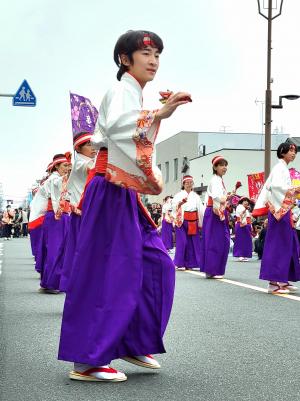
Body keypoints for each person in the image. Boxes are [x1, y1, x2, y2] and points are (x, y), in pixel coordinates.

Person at [58, 29, 191, 383]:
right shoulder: (121, 90)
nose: (153, 60)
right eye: (145, 53)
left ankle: (133, 339)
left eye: (158, 54)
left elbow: (133, 132)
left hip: (124, 192)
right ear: (124, 59)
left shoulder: (136, 97)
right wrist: (158, 113)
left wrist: (156, 114)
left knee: (155, 262)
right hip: (110, 187)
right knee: (108, 271)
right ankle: (86, 359)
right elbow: (119, 128)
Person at [253, 142, 300, 294]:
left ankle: (283, 279)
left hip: (283, 210)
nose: (293, 153)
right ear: (282, 152)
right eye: (290, 150)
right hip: (279, 212)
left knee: (289, 243)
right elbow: (276, 187)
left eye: (294, 151)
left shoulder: (283, 168)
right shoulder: (280, 168)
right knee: (278, 245)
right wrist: (295, 190)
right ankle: (273, 282)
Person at [59, 131, 97, 292]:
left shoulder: (85, 161)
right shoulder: (81, 163)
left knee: (83, 253)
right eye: (88, 144)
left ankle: (80, 290)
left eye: (93, 143)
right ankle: (78, 290)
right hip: (83, 215)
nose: (93, 147)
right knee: (82, 253)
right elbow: (96, 168)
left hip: (88, 213)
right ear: (78, 148)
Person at [39, 153, 71, 294]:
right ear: (56, 166)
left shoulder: (55, 178)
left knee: (56, 249)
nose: (67, 168)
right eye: (64, 166)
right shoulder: (54, 179)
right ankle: (52, 283)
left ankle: (49, 282)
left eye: (68, 166)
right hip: (56, 217)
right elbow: (60, 183)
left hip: (59, 216)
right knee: (55, 249)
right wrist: (70, 174)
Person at [200, 156, 230, 279]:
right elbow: (219, 197)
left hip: (217, 212)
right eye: (221, 165)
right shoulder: (215, 180)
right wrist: (227, 197)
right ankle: (212, 269)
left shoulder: (218, 180)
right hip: (214, 213)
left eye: (225, 165)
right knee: (216, 241)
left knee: (217, 240)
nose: (224, 167)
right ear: (215, 167)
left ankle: (212, 269)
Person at [172, 176, 204, 270]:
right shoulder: (178, 195)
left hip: (193, 220)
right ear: (183, 184)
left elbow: (201, 210)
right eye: (187, 183)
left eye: (191, 182)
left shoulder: (196, 196)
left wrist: (201, 223)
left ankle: (190, 263)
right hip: (181, 220)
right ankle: (179, 263)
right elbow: (174, 207)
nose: (189, 184)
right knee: (182, 241)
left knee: (192, 242)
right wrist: (180, 204)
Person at [233, 197, 253, 261]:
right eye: (244, 200)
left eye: (247, 201)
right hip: (241, 225)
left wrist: (251, 225)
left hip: (247, 225)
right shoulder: (239, 207)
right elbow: (241, 214)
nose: (246, 202)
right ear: (241, 201)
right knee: (240, 240)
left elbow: (249, 218)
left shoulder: (246, 209)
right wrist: (245, 209)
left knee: (247, 240)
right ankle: (240, 255)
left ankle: (245, 255)